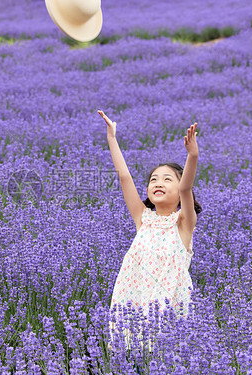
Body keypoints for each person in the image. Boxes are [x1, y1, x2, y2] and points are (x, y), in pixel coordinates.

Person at [98, 110, 202, 353]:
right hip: (133, 303)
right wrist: (112, 138)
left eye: (167, 179)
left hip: (168, 309)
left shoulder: (183, 224)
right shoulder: (142, 219)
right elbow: (124, 177)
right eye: (154, 179)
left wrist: (192, 155)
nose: (158, 183)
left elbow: (187, 187)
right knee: (129, 357)